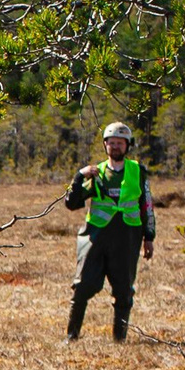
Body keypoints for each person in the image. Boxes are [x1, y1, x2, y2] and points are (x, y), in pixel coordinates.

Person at [66, 120, 155, 341]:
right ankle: (71, 336)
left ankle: (119, 339)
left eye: (120, 143)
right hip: (96, 237)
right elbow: (71, 202)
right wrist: (79, 176)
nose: (115, 147)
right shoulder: (96, 173)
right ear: (105, 145)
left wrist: (149, 237)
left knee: (124, 290)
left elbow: (147, 206)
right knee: (83, 286)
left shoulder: (138, 171)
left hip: (127, 238)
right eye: (111, 143)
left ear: (127, 146)